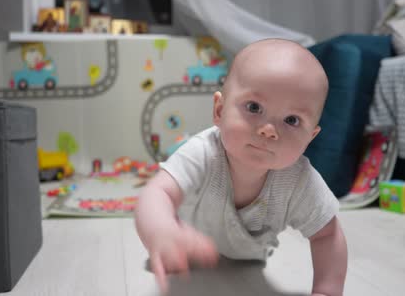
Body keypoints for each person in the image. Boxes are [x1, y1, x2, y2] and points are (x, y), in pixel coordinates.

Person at [135, 38, 347, 296]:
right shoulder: (204, 152)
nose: (269, 130)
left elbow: (327, 235)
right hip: (184, 244)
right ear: (219, 110)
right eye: (254, 107)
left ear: (310, 138)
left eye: (292, 120)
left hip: (247, 257)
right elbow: (157, 193)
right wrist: (162, 231)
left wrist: (327, 290)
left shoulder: (299, 179)